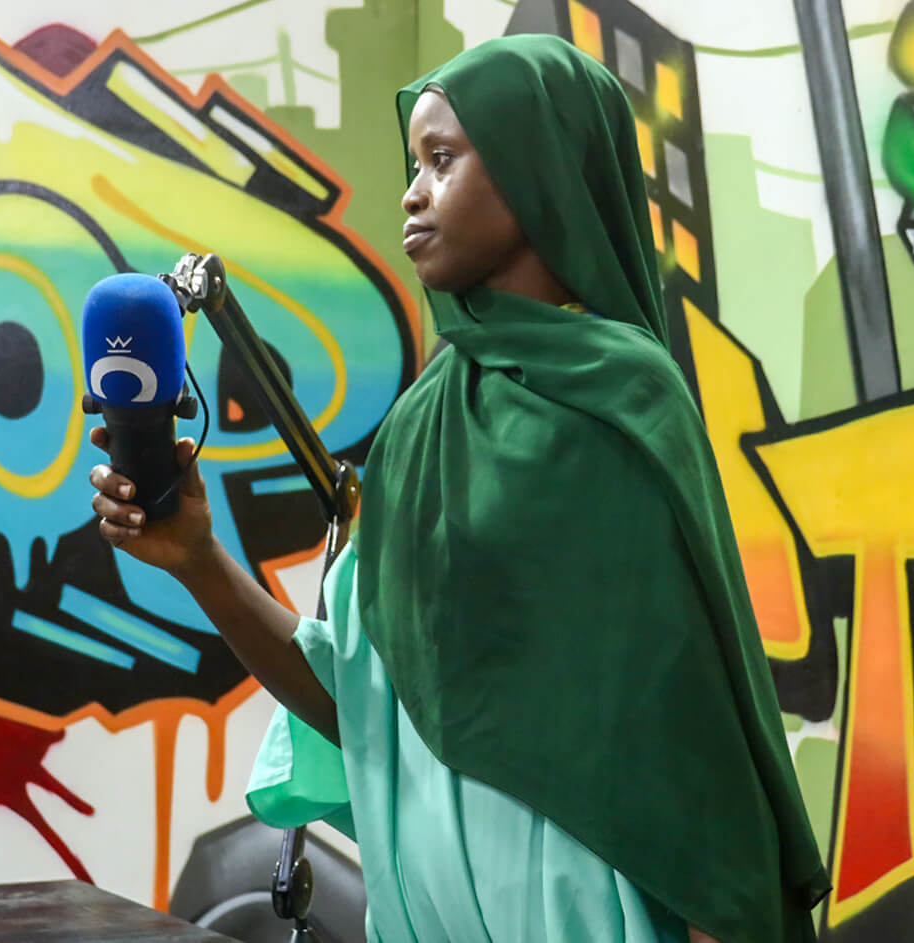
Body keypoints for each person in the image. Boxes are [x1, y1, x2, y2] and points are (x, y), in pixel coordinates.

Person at [90, 34, 829, 943]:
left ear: (536, 169)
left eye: (442, 159)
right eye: (415, 164)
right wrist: (199, 560)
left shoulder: (625, 409)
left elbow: (694, 751)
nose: (413, 192)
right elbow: (356, 699)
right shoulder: (421, 423)